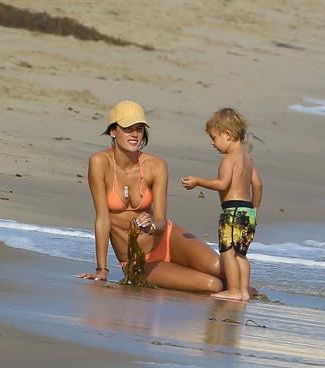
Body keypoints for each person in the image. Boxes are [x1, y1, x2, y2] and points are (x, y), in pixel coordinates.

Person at [77, 100, 224, 293]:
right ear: (113, 131)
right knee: (213, 285)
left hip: (168, 238)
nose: (135, 134)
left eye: (139, 129)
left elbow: (161, 222)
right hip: (138, 261)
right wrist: (101, 269)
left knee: (220, 269)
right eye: (128, 128)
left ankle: (246, 293)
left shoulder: (156, 166)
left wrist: (152, 226)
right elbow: (103, 219)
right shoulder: (99, 163)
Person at [181, 108, 263, 301]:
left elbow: (222, 184)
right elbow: (258, 185)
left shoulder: (229, 160)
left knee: (227, 252)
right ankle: (243, 291)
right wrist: (255, 209)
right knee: (241, 254)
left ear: (228, 135)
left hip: (231, 211)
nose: (213, 143)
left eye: (214, 137)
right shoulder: (248, 159)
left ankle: (234, 290)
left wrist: (198, 181)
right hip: (247, 210)